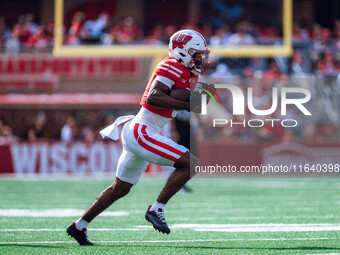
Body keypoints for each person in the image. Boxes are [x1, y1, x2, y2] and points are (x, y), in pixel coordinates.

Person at [66, 29, 210, 245]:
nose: (201, 59)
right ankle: (156, 208)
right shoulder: (171, 64)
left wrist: (191, 102)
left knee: (120, 188)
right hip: (142, 131)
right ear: (183, 52)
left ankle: (79, 226)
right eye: (197, 54)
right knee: (191, 164)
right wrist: (187, 105)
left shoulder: (187, 72)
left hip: (143, 131)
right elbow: (153, 98)